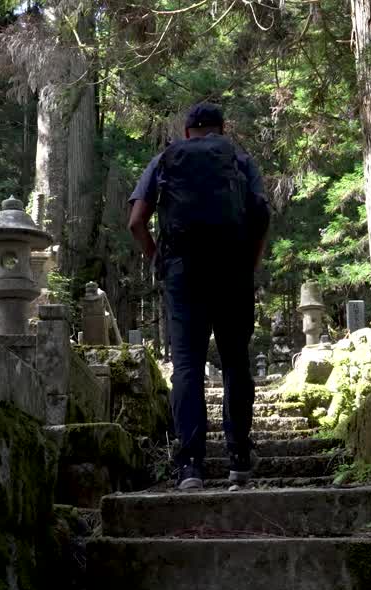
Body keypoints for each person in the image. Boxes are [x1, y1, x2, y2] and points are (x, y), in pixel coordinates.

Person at [128, 101, 271, 491]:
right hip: (233, 271)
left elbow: (136, 222)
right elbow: (261, 215)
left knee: (187, 366)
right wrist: (250, 263)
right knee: (236, 362)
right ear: (222, 130)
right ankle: (238, 459)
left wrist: (159, 260)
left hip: (183, 273)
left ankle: (190, 465)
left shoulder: (166, 159)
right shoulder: (239, 159)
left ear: (187, 131)